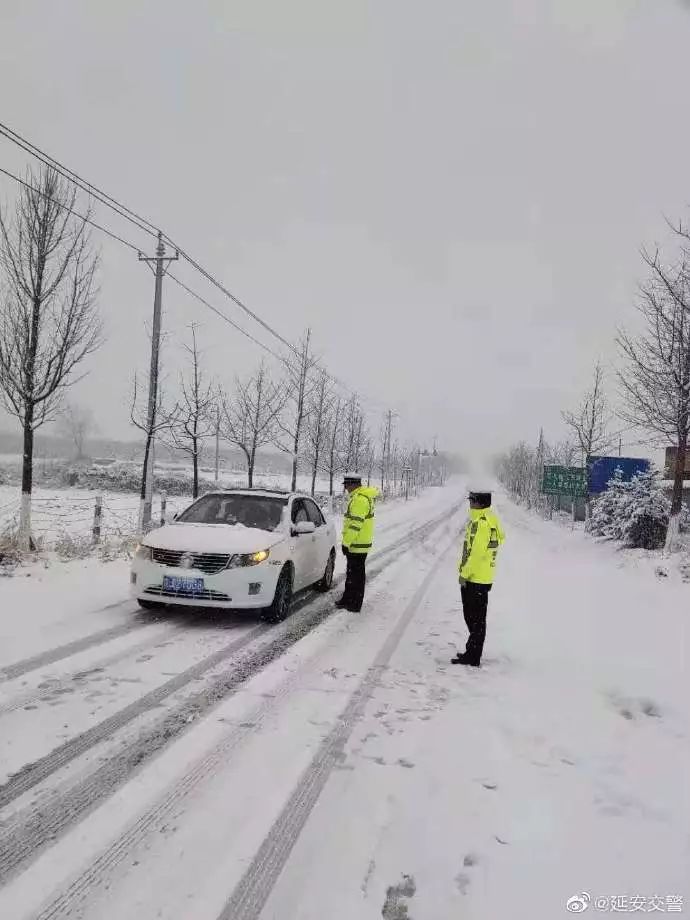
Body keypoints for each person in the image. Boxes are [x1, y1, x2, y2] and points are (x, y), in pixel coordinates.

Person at [452, 488, 505, 667]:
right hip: (483, 577)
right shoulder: (490, 520)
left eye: (471, 500)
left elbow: (476, 554)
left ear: (479, 502)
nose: (469, 503)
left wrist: (464, 575)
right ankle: (472, 652)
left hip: (475, 579)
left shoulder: (480, 523)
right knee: (476, 619)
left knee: (474, 619)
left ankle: (473, 656)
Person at [336, 473, 379, 612]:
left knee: (356, 575)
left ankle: (355, 603)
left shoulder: (360, 500)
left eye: (347, 485)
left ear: (354, 484)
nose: (346, 488)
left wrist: (346, 543)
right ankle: (348, 599)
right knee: (352, 573)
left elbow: (355, 524)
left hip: (357, 544)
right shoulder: (359, 497)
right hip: (357, 543)